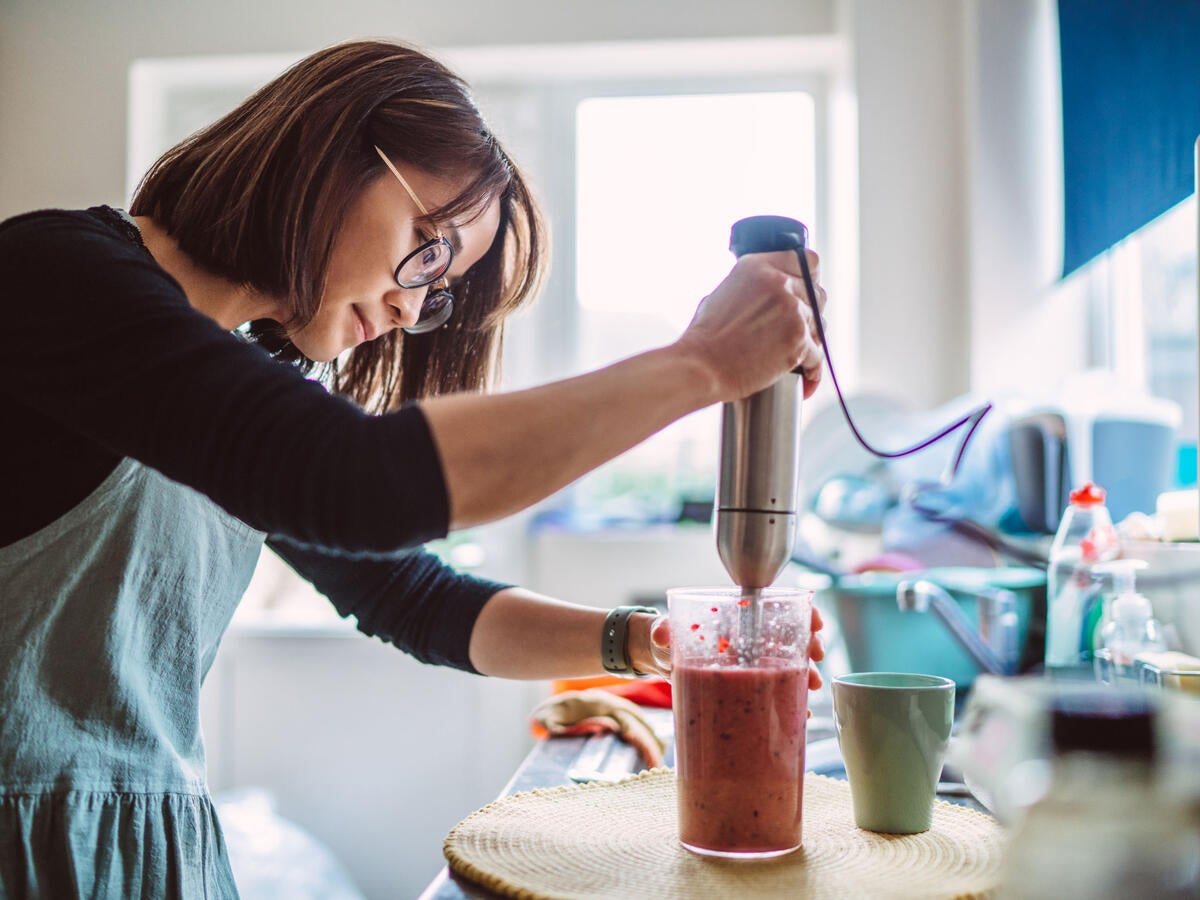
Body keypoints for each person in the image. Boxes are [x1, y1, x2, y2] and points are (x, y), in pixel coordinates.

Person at [0, 38, 827, 897]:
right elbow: (359, 481)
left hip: (152, 859)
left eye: (436, 292)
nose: (408, 305)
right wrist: (700, 364)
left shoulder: (240, 380)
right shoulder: (58, 278)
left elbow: (414, 599)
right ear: (329, 152)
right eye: (428, 246)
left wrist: (650, 644)